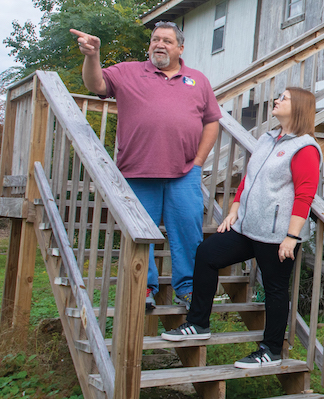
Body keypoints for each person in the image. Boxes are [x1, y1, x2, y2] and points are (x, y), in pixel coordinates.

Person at [161, 87, 321, 369]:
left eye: (283, 98)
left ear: (298, 108)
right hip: (247, 226)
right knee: (208, 254)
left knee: (275, 288)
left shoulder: (305, 148)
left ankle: (271, 350)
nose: (276, 100)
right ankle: (198, 323)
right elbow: (248, 179)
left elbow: (304, 195)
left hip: (277, 234)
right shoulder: (268, 138)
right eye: (279, 96)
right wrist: (234, 210)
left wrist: (291, 237)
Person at [70, 22, 221, 312]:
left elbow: (211, 121)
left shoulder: (198, 80)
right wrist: (92, 56)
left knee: (189, 233)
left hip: (183, 173)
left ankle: (188, 289)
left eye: (166, 40)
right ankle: (145, 288)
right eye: (155, 40)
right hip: (137, 172)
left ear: (180, 48)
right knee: (141, 235)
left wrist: (198, 162)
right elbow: (96, 85)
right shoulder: (128, 71)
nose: (159, 44)